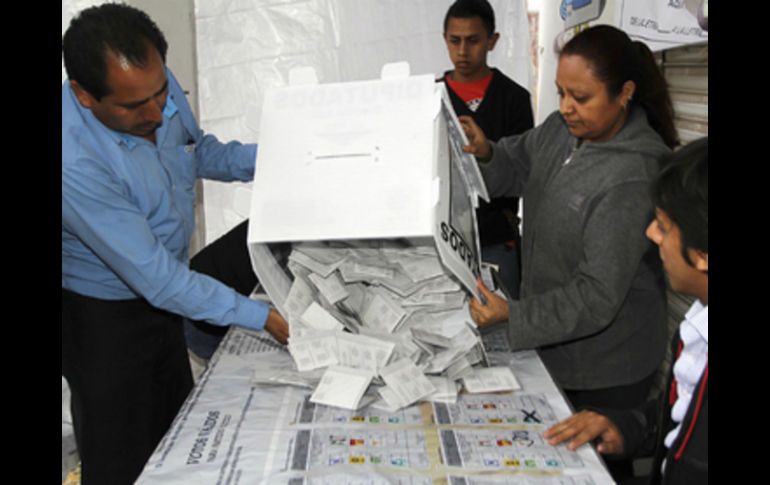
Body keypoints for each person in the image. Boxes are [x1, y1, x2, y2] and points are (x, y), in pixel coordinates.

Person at [61, 4, 289, 484]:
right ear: (84, 95)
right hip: (105, 321)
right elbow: (159, 281)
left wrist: (287, 157)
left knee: (176, 442)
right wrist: (262, 317)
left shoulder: (154, 93)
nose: (157, 114)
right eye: (133, 106)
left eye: (162, 92)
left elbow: (199, 149)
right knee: (122, 459)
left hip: (166, 299)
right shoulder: (73, 160)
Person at [463, 25, 679, 480]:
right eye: (561, 92)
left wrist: (513, 316)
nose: (565, 107)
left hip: (605, 371)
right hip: (558, 347)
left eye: (580, 97)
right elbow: (517, 161)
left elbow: (596, 295)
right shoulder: (563, 129)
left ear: (625, 93)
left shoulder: (632, 174)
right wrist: (486, 153)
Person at [544, 137, 708, 484]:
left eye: (663, 226)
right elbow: (686, 419)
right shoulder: (697, 324)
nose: (650, 234)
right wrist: (629, 428)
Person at [441, 0, 534, 298]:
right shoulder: (431, 97)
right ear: (445, 40)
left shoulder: (515, 99)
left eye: (473, 40)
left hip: (497, 238)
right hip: (443, 239)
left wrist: (490, 155)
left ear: (492, 41)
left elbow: (524, 171)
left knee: (503, 328)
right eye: (455, 41)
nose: (462, 51)